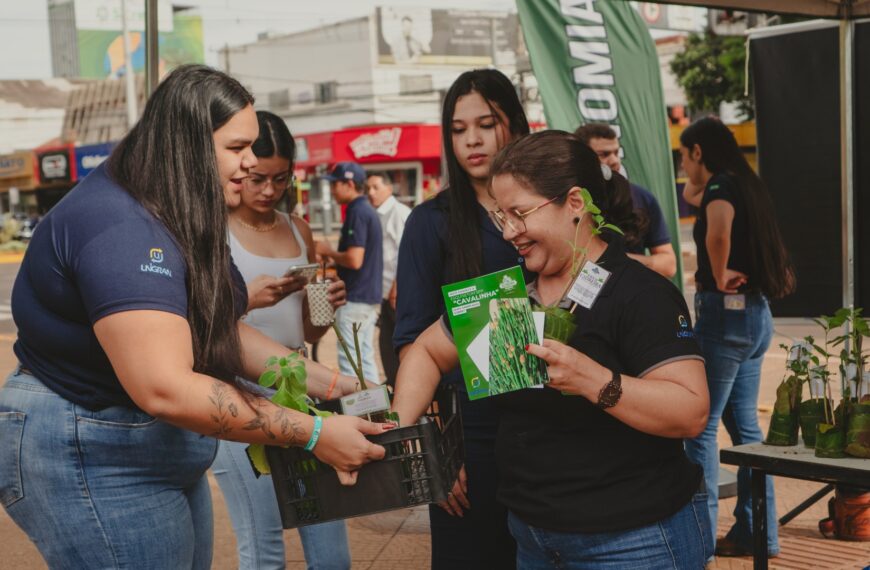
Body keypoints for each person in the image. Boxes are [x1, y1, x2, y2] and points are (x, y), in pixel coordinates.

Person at [0, 65, 389, 569]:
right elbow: (163, 385)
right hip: (91, 450)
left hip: (156, 443)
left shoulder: (182, 211)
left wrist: (334, 383)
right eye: (237, 148)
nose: (250, 164)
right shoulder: (121, 226)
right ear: (185, 143)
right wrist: (313, 432)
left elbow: (219, 332)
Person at [393, 130, 713, 568]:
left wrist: (591, 379)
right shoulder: (510, 294)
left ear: (575, 203)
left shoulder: (639, 293)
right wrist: (402, 433)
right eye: (500, 216)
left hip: (635, 540)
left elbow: (690, 410)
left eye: (520, 213)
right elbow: (427, 353)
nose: (509, 232)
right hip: (533, 538)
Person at [393, 68, 531, 570]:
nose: (471, 139)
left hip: (552, 435)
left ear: (514, 124)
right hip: (470, 440)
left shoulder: (548, 211)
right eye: (457, 128)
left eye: (486, 123)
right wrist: (438, 456)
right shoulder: (430, 223)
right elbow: (412, 344)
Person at [213, 110, 352, 570]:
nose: (269, 190)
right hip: (239, 393)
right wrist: (247, 300)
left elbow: (310, 331)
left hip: (301, 388)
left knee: (329, 540)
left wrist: (326, 304)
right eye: (257, 178)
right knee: (264, 544)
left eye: (280, 179)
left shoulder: (299, 229)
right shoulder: (214, 231)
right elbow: (203, 323)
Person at [680, 116, 795, 559]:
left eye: (685, 156)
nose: (683, 165)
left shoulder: (722, 190)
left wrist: (719, 269)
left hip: (724, 319)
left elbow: (719, 232)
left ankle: (700, 545)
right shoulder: (741, 182)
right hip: (755, 316)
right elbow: (695, 193)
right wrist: (701, 175)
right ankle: (759, 535)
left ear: (698, 152)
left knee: (700, 429)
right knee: (746, 429)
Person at [574, 123, 677, 278]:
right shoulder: (569, 201)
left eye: (616, 152)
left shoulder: (641, 197)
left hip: (631, 294)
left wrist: (619, 261)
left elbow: (669, 265)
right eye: (604, 154)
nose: (614, 160)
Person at [316, 162, 383, 384]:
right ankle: (377, 414)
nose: (333, 190)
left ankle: (358, 416)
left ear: (350, 183)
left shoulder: (358, 211)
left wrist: (329, 251)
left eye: (336, 184)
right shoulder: (365, 209)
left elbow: (355, 259)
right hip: (367, 297)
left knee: (350, 364)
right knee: (364, 360)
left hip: (356, 299)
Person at [366, 172, 411, 387]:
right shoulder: (378, 214)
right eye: (368, 188)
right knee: (387, 346)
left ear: (389, 189)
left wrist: (397, 286)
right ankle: (396, 386)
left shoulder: (399, 213)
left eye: (375, 187)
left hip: (398, 294)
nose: (371, 193)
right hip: (384, 294)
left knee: (402, 346)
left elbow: (407, 252)